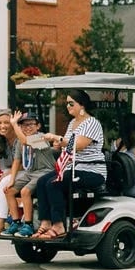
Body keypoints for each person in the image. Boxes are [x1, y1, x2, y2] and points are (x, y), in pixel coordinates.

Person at [33, 90, 107, 239]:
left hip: (91, 170)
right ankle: (46, 221)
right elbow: (67, 145)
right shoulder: (73, 123)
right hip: (72, 168)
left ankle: (59, 226)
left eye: (71, 103)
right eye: (67, 103)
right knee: (42, 182)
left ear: (82, 105)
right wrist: (58, 145)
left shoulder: (91, 122)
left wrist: (57, 138)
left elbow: (79, 145)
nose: (68, 106)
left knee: (54, 183)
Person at [2, 112, 56, 237]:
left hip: (45, 172)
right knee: (9, 191)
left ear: (38, 126)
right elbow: (17, 161)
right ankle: (15, 222)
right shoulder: (20, 141)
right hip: (30, 172)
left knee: (25, 192)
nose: (27, 127)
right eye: (24, 125)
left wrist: (14, 124)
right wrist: (12, 180)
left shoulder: (41, 138)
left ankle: (28, 225)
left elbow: (26, 141)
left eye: (31, 124)